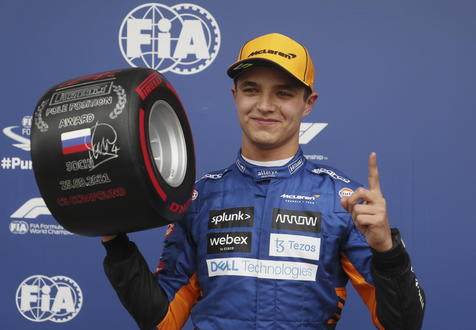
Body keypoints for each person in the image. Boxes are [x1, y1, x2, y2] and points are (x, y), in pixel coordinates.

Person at [102, 33, 425, 329]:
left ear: (308, 103)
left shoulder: (342, 200)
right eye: (251, 89)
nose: (265, 105)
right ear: (235, 95)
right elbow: (162, 320)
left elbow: (402, 324)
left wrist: (387, 249)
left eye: (283, 93)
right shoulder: (199, 198)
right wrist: (115, 241)